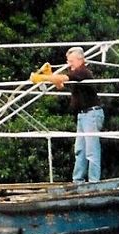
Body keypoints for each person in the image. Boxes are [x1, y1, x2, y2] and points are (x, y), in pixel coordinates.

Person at [46, 47, 104, 183]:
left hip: (91, 113)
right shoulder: (75, 73)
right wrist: (50, 76)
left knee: (91, 149)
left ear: (80, 59)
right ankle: (78, 180)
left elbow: (63, 78)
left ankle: (94, 181)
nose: (69, 64)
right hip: (83, 115)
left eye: (71, 61)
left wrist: (46, 77)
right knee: (80, 150)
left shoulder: (83, 72)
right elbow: (60, 84)